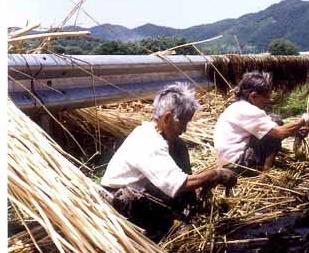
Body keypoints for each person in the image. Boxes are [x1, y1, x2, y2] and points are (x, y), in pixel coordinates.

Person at [101, 83, 237, 241]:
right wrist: (215, 175)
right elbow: (179, 184)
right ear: (167, 118)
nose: (184, 129)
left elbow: (182, 179)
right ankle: (160, 229)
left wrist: (201, 186)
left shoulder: (162, 138)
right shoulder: (148, 142)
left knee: (179, 146)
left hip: (145, 192)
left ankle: (185, 213)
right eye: (183, 122)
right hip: (123, 202)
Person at [214, 71, 309, 173]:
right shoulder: (248, 110)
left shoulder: (237, 107)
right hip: (237, 163)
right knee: (274, 129)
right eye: (265, 97)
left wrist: (295, 132)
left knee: (271, 127)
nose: (268, 100)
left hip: (227, 161)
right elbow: (279, 133)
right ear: (253, 96)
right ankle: (265, 173)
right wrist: (304, 119)